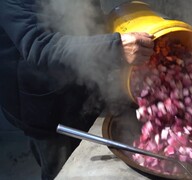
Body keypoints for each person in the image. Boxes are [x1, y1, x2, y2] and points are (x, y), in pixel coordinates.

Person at [0, 0, 154, 179]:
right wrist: (115, 47)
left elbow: (88, 16)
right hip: (44, 107)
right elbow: (41, 46)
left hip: (81, 90)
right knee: (62, 168)